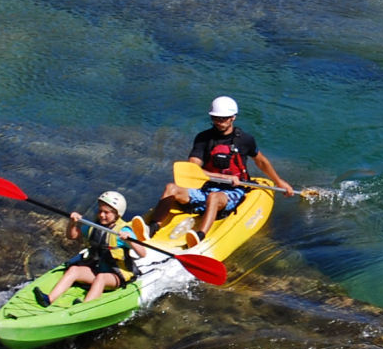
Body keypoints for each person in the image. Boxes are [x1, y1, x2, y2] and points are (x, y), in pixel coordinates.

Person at [148, 96, 295, 241]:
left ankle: (199, 237)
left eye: (223, 118)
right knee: (171, 188)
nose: (219, 122)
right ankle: (152, 227)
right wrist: (224, 177)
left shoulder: (245, 139)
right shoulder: (203, 138)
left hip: (233, 190)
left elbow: (261, 161)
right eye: (216, 118)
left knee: (214, 198)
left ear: (233, 117)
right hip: (205, 187)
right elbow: (192, 167)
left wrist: (279, 181)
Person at [36, 191, 146, 307]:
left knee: (101, 278)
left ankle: (85, 306)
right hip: (97, 269)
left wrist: (129, 240)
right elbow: (72, 236)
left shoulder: (123, 231)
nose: (102, 215)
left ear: (117, 214)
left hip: (117, 275)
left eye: (106, 212)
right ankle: (49, 299)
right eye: (100, 211)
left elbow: (142, 253)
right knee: (74, 270)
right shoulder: (94, 227)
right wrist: (72, 224)